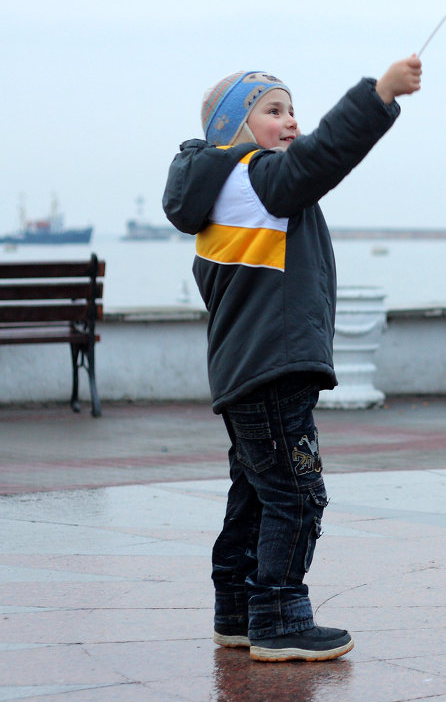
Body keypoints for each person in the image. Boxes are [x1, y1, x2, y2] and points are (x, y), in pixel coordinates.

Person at [162, 57, 422, 661]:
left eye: (292, 110)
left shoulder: (220, 189)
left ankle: (237, 610)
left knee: (255, 491)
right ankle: (279, 618)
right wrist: (379, 95)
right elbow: (322, 159)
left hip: (244, 368)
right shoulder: (254, 179)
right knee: (298, 494)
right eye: (273, 111)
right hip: (271, 367)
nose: (291, 122)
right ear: (233, 128)